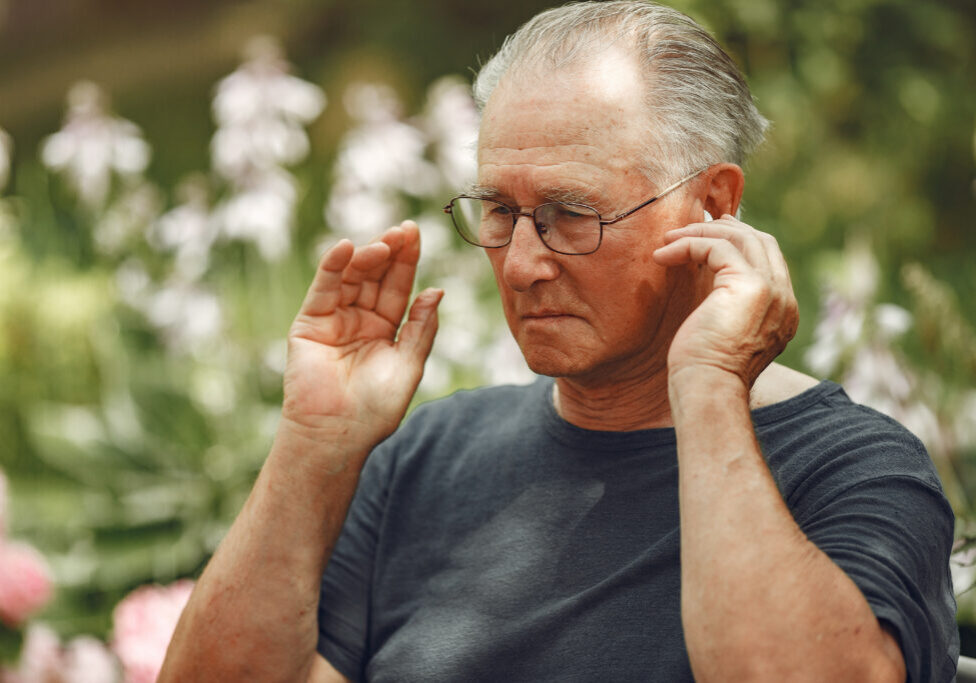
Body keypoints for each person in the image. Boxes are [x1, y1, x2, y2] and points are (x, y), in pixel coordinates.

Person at [160, 2, 958, 681]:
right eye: (499, 210)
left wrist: (710, 383)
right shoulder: (426, 458)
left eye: (573, 212)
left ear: (714, 204)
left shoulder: (855, 467)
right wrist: (315, 444)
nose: (523, 262)